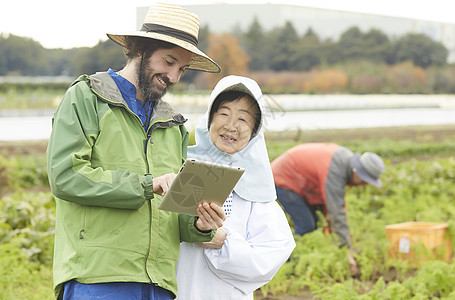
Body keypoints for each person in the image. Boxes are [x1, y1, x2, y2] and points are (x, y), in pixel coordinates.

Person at [46, 3, 225, 300]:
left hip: (160, 284)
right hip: (98, 278)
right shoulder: (86, 97)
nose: (173, 77)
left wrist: (199, 223)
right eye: (168, 62)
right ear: (140, 50)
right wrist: (145, 185)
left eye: (182, 68)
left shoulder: (174, 124)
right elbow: (66, 176)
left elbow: (177, 209)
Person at [175, 75, 296, 299]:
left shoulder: (257, 185)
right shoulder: (179, 167)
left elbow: (273, 253)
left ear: (255, 131)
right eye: (223, 113)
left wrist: (225, 244)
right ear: (209, 118)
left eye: (243, 119)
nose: (231, 126)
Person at [271, 143, 385, 274]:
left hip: (300, 180)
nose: (364, 185)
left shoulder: (344, 161)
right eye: (365, 181)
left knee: (314, 224)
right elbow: (337, 212)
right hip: (283, 178)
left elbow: (329, 199)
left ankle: (302, 261)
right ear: (357, 172)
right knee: (307, 225)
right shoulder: (336, 170)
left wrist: (328, 213)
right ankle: (287, 265)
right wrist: (346, 250)